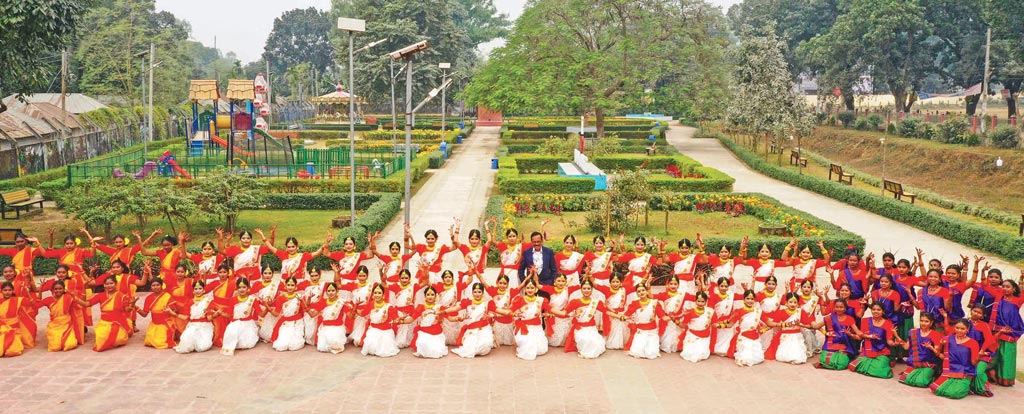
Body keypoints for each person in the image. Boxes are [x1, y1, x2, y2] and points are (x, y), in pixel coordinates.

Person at [503, 276, 559, 360]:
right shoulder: (519, 300)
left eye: (532, 288)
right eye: (528, 288)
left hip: (537, 328)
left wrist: (558, 314)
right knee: (529, 347)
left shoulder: (541, 300)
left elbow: (550, 309)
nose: (530, 290)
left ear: (536, 289)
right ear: (525, 289)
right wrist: (514, 314)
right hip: (524, 328)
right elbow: (510, 311)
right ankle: (519, 344)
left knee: (541, 349)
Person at [488, 219, 547, 287]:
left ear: (517, 237)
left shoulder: (521, 247)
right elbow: (493, 240)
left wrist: (542, 226)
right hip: (504, 273)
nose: (512, 238)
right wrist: (495, 225)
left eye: (514, 236)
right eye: (510, 236)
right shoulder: (503, 246)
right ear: (507, 238)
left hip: (515, 275)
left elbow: (535, 241)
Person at [80, 276, 134, 352]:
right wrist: (78, 296)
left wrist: (131, 307)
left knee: (119, 340)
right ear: (104, 285)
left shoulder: (122, 296)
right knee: (102, 339)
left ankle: (125, 330)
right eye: (107, 284)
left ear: (116, 284)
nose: (109, 285)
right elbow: (86, 304)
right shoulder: (100, 295)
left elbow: (126, 310)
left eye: (111, 283)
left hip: (118, 322)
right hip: (104, 323)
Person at [931, 319, 981, 399]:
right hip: (950, 372)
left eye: (962, 329)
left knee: (955, 393)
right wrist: (940, 344)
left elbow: (973, 363)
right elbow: (939, 353)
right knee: (935, 389)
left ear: (968, 329)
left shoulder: (973, 343)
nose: (959, 330)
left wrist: (979, 356)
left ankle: (967, 387)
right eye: (957, 328)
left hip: (965, 373)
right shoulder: (948, 339)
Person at [849, 302, 901, 379]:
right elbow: (861, 337)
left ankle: (872, 367)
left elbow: (889, 341)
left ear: (883, 311)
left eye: (878, 310)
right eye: (873, 309)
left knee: (882, 372)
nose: (876, 311)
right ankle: (871, 367)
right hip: (867, 351)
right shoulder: (865, 321)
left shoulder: (888, 323)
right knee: (852, 366)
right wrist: (851, 335)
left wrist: (894, 344)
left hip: (881, 352)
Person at [564, 279, 610, 359]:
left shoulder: (595, 302)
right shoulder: (575, 302)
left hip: (591, 328)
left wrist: (620, 316)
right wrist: (551, 313)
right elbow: (564, 312)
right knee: (585, 340)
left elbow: (607, 312)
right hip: (580, 329)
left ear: (592, 290)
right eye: (584, 288)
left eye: (588, 288)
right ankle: (586, 351)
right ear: (581, 290)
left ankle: (589, 352)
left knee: (598, 342)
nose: (586, 290)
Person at [449, 282, 497, 358]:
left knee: (485, 345)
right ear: (472, 293)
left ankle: (478, 348)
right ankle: (474, 349)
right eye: (475, 292)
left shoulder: (487, 304)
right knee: (468, 347)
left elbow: (494, 314)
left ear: (483, 293)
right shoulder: (467, 302)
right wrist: (443, 311)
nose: (477, 294)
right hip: (471, 330)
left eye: (479, 292)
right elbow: (454, 309)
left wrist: (489, 316)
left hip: (484, 329)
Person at [991, 276, 1024, 386]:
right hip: (997, 331)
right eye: (1003, 286)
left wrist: (1022, 279)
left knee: (1007, 356)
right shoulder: (998, 298)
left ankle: (1006, 379)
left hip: (1010, 332)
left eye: (1008, 287)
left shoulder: (1017, 300)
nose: (1005, 288)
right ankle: (993, 375)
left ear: (1014, 289)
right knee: (996, 355)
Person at [765, 293, 813, 364]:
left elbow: (809, 325)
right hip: (785, 336)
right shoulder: (781, 312)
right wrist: (764, 329)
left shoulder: (800, 312)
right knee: (782, 356)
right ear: (786, 303)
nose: (793, 304)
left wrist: (800, 324)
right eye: (790, 302)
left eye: (795, 302)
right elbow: (773, 324)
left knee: (799, 357)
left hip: (797, 336)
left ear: (797, 303)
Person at [813, 299, 861, 370]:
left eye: (841, 307)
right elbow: (816, 327)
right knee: (825, 360)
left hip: (845, 344)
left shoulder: (849, 319)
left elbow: (859, 335)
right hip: (830, 343)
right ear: (834, 308)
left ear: (845, 308)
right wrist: (825, 332)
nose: (839, 309)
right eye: (837, 307)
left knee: (841, 363)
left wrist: (850, 334)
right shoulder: (829, 318)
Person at [898, 312, 943, 387]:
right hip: (915, 363)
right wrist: (898, 338)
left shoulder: (935, 335)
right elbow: (906, 347)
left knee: (921, 383)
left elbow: (937, 353)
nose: (923, 323)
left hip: (929, 364)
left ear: (931, 323)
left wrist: (930, 347)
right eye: (921, 321)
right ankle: (916, 372)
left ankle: (933, 377)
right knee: (904, 379)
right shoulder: (913, 332)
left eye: (926, 321)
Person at [171, 280, 215, 354]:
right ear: (193, 291)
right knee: (184, 346)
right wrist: (173, 313)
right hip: (193, 326)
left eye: (200, 289)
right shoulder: (190, 302)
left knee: (202, 347)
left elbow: (209, 318)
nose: (198, 291)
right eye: (196, 289)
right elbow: (185, 317)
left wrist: (216, 313)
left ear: (204, 290)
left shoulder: (208, 301)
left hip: (205, 326)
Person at [622, 283, 664, 359]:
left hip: (652, 332)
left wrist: (676, 317)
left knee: (651, 353)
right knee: (637, 352)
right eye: (639, 291)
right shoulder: (634, 304)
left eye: (643, 290)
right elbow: (626, 315)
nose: (641, 292)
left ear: (647, 291)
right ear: (637, 294)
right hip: (640, 331)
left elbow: (663, 317)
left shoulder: (654, 303)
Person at [221, 278, 261, 355]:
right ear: (236, 288)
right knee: (231, 338)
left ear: (248, 288)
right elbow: (229, 314)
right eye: (239, 287)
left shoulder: (252, 300)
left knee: (246, 344)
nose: (242, 289)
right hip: (235, 323)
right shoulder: (232, 300)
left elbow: (261, 313)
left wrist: (267, 307)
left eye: (244, 287)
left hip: (248, 324)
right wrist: (220, 313)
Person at [358, 283, 400, 357]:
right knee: (370, 347)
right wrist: (354, 308)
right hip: (373, 330)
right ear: (373, 295)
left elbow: (395, 318)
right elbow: (363, 313)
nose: (377, 295)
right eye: (375, 293)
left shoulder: (388, 307)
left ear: (383, 295)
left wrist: (398, 320)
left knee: (384, 350)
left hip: (385, 331)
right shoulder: (370, 304)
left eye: (379, 293)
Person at [37, 281, 80, 352]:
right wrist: (40, 290)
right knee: (55, 347)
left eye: (60, 289)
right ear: (53, 290)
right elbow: (37, 304)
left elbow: (78, 305)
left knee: (70, 344)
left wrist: (74, 296)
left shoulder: (68, 298)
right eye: (56, 289)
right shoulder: (49, 300)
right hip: (54, 326)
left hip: (66, 325)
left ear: (64, 289)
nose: (58, 291)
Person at [306, 282, 348, 355]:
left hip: (337, 328)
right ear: (326, 292)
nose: (331, 293)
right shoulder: (322, 302)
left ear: (337, 291)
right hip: (325, 328)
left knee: (335, 344)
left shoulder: (341, 303)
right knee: (321, 348)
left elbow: (350, 316)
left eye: (333, 290)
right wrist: (307, 302)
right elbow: (312, 315)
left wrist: (354, 308)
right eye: (329, 291)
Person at [728, 289, 766, 366]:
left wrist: (782, 324)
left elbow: (769, 323)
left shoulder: (758, 312)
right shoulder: (739, 311)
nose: (750, 301)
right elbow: (730, 325)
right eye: (747, 298)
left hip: (755, 337)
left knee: (759, 358)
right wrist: (718, 325)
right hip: (743, 337)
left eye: (752, 299)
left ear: (754, 300)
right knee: (745, 357)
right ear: (744, 300)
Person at [266, 276, 306, 352]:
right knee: (280, 346)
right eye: (288, 285)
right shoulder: (280, 298)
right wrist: (267, 307)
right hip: (286, 323)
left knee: (294, 345)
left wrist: (303, 301)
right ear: (285, 286)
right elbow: (276, 314)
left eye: (292, 285)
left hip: (297, 323)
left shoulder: (299, 297)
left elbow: (304, 310)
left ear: (296, 287)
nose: (290, 287)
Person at [406, 286, 447, 359]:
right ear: (425, 296)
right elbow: (411, 319)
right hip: (424, 332)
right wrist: (399, 320)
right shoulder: (421, 307)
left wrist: (460, 318)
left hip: (436, 332)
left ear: (435, 296)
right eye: (428, 294)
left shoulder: (439, 308)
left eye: (432, 295)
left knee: (436, 351)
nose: (430, 297)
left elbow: (450, 318)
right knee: (423, 346)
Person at [479, 274, 519, 346]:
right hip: (497, 320)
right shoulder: (493, 291)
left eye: (504, 283)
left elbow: (521, 286)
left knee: (509, 342)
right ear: (497, 283)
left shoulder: (510, 293)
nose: (502, 285)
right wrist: (476, 271)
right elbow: (483, 283)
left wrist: (530, 276)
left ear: (507, 284)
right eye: (500, 283)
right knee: (496, 341)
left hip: (507, 320)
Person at [965, 306, 998, 397]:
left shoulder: (984, 325)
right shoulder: (964, 322)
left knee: (978, 371)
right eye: (974, 311)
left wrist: (982, 351)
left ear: (983, 315)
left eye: (979, 313)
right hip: (966, 353)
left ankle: (981, 388)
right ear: (971, 310)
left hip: (982, 354)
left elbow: (989, 340)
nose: (976, 313)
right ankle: (966, 387)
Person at [594, 274, 632, 350]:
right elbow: (595, 285)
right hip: (610, 314)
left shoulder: (624, 290)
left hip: (621, 313)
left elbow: (636, 288)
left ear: (621, 282)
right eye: (613, 281)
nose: (615, 284)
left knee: (621, 324)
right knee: (613, 326)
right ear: (610, 283)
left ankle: (620, 342)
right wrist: (589, 275)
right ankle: (612, 342)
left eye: (617, 281)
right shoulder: (606, 289)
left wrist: (645, 280)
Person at [541, 274, 580, 347]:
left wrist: (587, 275)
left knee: (563, 332)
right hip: (553, 313)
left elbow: (580, 286)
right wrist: (534, 277)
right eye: (558, 281)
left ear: (566, 282)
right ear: (554, 281)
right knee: (553, 338)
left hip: (564, 313)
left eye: (563, 281)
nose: (561, 283)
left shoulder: (568, 290)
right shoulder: (551, 289)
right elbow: (538, 286)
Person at [338, 265, 372, 346]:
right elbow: (338, 285)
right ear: (357, 276)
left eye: (364, 276)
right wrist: (337, 272)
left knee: (363, 338)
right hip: (355, 311)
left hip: (366, 311)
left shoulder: (372, 286)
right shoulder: (352, 285)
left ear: (367, 276)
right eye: (360, 276)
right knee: (356, 339)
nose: (362, 278)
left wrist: (382, 273)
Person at [709, 277, 743, 356]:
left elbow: (744, 297)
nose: (724, 288)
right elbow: (710, 309)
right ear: (718, 286)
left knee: (727, 336)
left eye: (726, 286)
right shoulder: (714, 296)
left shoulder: (731, 296)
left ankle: (726, 350)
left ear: (728, 287)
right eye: (722, 286)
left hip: (728, 320)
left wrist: (746, 288)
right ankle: (715, 349)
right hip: (717, 320)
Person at [137, 277, 174, 350]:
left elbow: (174, 311)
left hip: (166, 324)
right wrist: (135, 308)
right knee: (149, 342)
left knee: (160, 343)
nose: (156, 287)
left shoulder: (168, 296)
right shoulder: (149, 298)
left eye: (158, 285)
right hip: (154, 324)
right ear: (150, 287)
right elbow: (144, 314)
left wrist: (169, 311)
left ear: (161, 285)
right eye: (153, 285)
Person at [0, 281, 35, 357]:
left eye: (9, 290)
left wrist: (28, 292)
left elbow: (32, 304)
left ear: (13, 291)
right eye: (5, 290)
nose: (7, 292)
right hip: (1, 329)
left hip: (14, 330)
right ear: (1, 291)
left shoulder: (18, 300)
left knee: (14, 350)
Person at [679, 291, 714, 363]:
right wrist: (675, 320)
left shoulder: (710, 312)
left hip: (704, 337)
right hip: (692, 336)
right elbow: (683, 325)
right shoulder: (690, 312)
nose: (700, 303)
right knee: (688, 353)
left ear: (705, 302)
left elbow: (715, 323)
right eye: (698, 301)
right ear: (695, 301)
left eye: (702, 301)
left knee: (702, 354)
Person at [655, 275, 687, 353]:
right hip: (667, 319)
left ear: (678, 285)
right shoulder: (663, 295)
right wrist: (648, 286)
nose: (673, 286)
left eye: (675, 284)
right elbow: (651, 296)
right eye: (671, 284)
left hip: (678, 320)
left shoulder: (682, 295)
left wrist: (700, 285)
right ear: (668, 285)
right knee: (667, 337)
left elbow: (696, 298)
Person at [387, 269, 418, 348]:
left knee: (408, 328)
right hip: (398, 312)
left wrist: (424, 269)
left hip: (409, 312)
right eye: (402, 278)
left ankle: (407, 340)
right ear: (399, 279)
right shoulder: (396, 286)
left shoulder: (413, 287)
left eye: (406, 278)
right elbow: (384, 285)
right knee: (400, 327)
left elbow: (425, 282)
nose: (404, 280)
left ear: (409, 278)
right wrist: (381, 273)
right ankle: (400, 340)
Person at [456, 228, 490, 297]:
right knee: (468, 298)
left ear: (479, 240)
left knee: (480, 299)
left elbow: (489, 240)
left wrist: (486, 227)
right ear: (469, 240)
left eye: (476, 239)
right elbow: (455, 241)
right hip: (469, 278)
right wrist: (457, 227)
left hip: (480, 277)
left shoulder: (483, 249)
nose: (474, 241)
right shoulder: (465, 248)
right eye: (472, 239)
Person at [254, 265, 280, 343]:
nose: (267, 275)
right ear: (262, 274)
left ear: (272, 274)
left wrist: (272, 302)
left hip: (272, 309)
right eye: (265, 273)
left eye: (269, 273)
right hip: (261, 309)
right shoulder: (257, 284)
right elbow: (253, 297)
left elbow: (280, 296)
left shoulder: (277, 284)